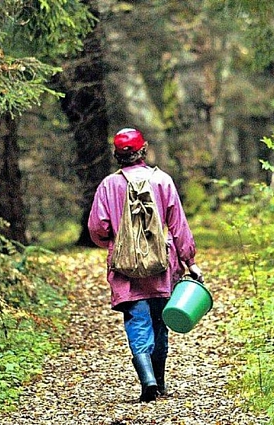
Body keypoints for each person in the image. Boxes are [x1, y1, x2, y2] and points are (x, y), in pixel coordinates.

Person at [87, 127, 203, 402]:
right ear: (144, 149)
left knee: (137, 320)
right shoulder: (162, 181)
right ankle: (160, 381)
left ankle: (147, 380)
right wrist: (191, 262)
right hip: (162, 266)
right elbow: (178, 226)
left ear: (117, 155)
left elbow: (97, 227)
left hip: (126, 270)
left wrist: (115, 243)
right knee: (160, 322)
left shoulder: (109, 185)